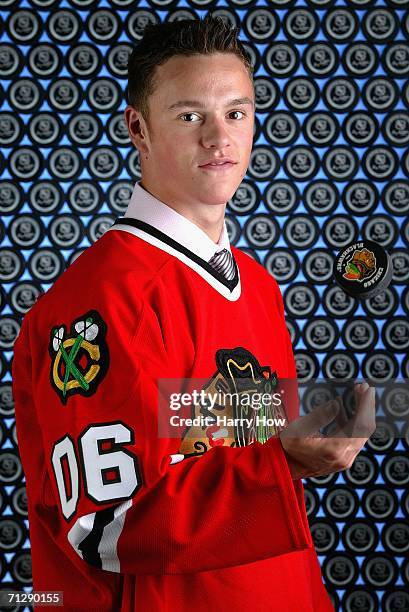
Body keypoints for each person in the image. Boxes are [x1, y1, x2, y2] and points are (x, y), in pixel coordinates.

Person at [12, 14, 375, 612]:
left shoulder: (257, 285)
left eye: (236, 113)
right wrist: (280, 462)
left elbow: (225, 452)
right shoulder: (98, 301)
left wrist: (290, 454)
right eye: (189, 116)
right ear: (138, 129)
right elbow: (104, 528)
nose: (219, 138)